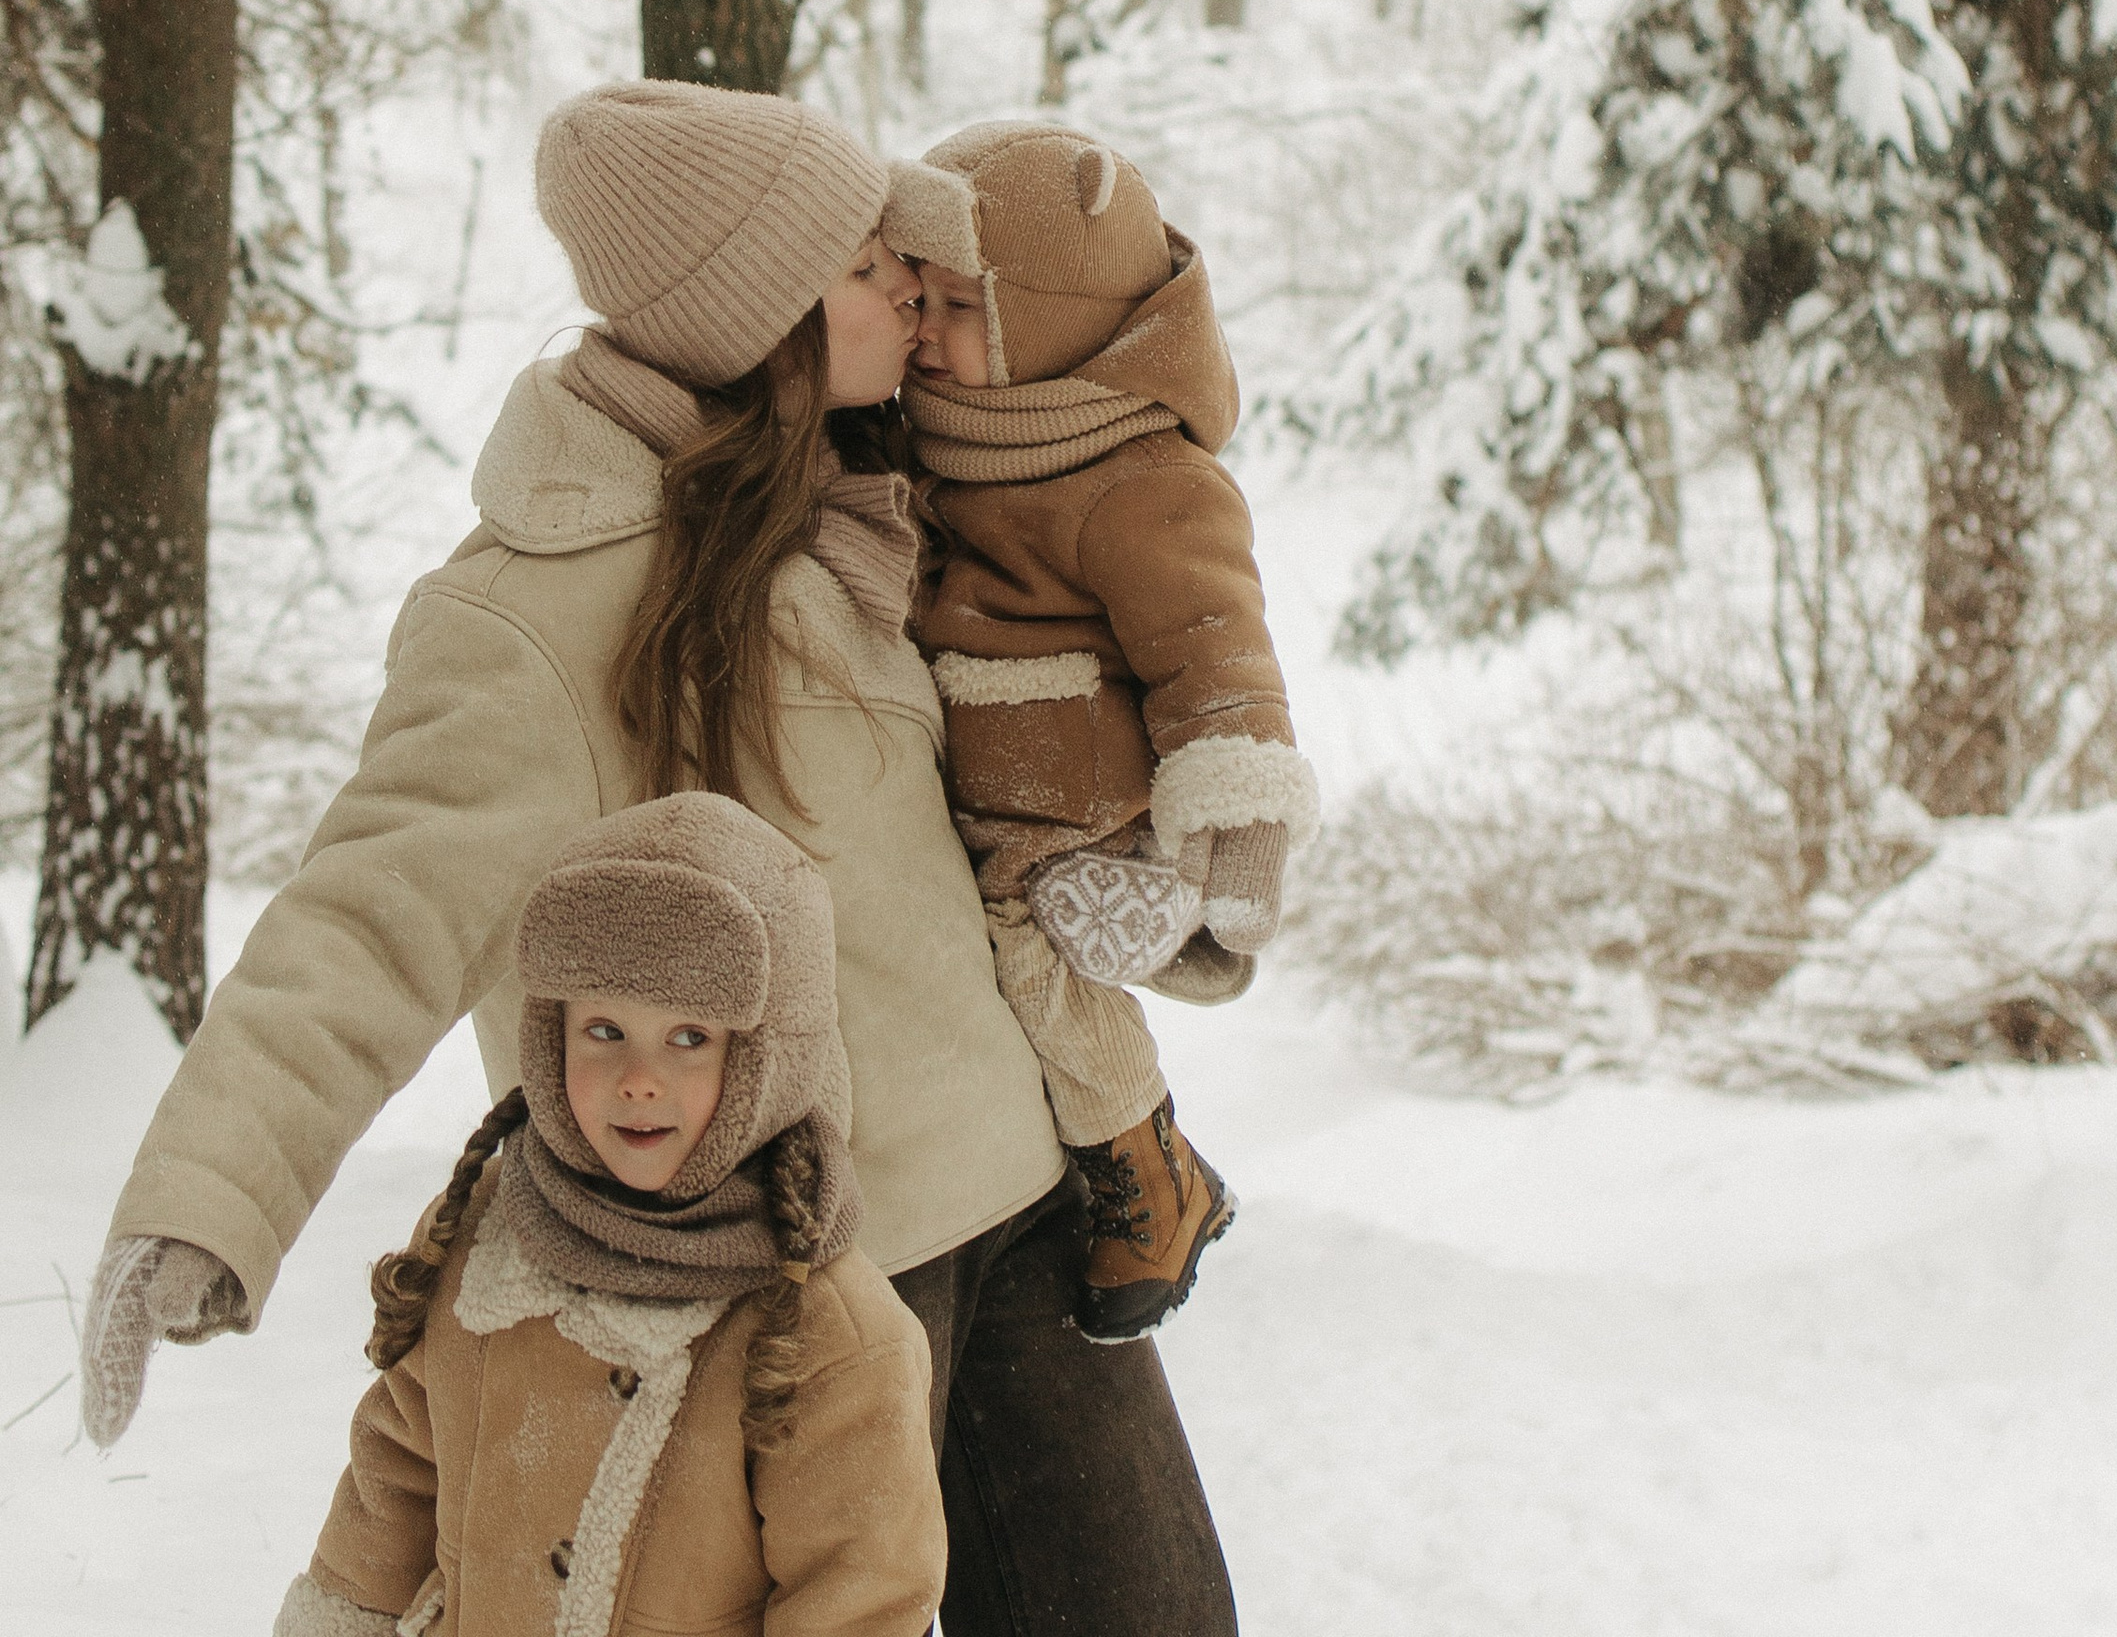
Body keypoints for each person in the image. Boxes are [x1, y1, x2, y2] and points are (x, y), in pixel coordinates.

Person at [82, 79, 1238, 1637]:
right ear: (758, 321)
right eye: (855, 267)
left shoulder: (861, 500)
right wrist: (209, 1198)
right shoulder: (540, 608)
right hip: (800, 1278)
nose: (902, 282)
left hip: (1017, 1212)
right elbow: (369, 911)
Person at [270, 792, 944, 1637]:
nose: (638, 1077)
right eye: (602, 1029)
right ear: (549, 1035)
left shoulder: (824, 1329)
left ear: (769, 1054)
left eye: (689, 1037)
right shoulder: (487, 1237)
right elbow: (399, 1473)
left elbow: (861, 1598)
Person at [901, 120, 1318, 1342]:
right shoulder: (953, 436)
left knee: (1022, 952)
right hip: (983, 782)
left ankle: (1154, 1171)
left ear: (1056, 319)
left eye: (959, 307)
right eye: (912, 298)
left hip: (1077, 803)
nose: (924, 330)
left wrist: (1237, 838)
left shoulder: (1143, 475)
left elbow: (1219, 657)